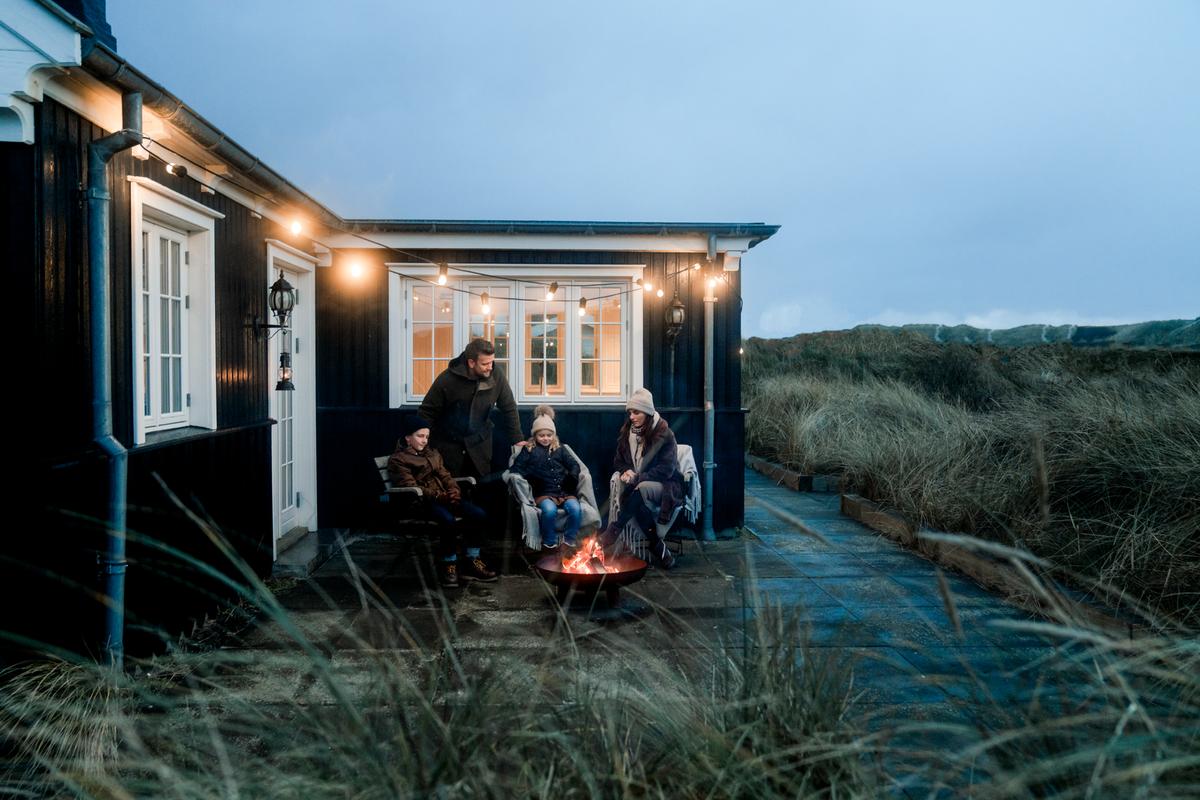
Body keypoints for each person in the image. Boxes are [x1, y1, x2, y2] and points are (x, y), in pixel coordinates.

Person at [388, 415, 496, 588]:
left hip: (443, 498)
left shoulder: (432, 454)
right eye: (420, 436)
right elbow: (411, 487)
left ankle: (472, 559)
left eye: (426, 437)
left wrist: (453, 490)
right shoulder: (399, 460)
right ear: (408, 438)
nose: (424, 441)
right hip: (420, 504)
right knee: (447, 520)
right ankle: (449, 565)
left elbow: (445, 476)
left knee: (478, 514)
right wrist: (439, 496)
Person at [598, 388, 685, 569]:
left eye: (636, 412)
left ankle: (614, 530)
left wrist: (637, 477)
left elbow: (666, 470)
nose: (631, 416)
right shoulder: (627, 433)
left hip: (666, 485)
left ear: (647, 413)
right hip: (638, 486)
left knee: (641, 488)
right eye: (630, 412)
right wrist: (626, 471)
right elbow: (618, 461)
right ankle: (658, 548)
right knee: (636, 498)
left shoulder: (664, 433)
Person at [418, 338, 523, 480]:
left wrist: (517, 438)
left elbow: (509, 407)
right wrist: (420, 440)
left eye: (492, 361)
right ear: (471, 362)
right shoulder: (447, 379)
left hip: (480, 445)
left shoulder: (496, 375)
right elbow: (427, 412)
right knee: (453, 489)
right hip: (448, 446)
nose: (490, 367)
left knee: (481, 487)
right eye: (485, 363)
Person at [509, 405, 582, 550]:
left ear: (553, 435)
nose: (545, 438)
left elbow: (574, 464)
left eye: (549, 435)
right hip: (544, 493)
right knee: (549, 511)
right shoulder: (529, 450)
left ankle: (569, 541)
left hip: (564, 492)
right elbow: (516, 468)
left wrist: (572, 477)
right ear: (535, 435)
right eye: (541, 435)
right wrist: (531, 477)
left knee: (576, 509)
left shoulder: (560, 449)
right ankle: (549, 542)